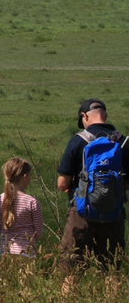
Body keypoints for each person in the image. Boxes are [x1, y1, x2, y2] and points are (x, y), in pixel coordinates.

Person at [57, 98, 129, 270]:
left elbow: (62, 183)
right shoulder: (123, 143)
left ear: (84, 116)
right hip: (113, 215)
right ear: (106, 115)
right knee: (111, 271)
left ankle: (69, 297)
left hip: (81, 215)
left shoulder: (77, 141)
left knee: (71, 272)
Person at [0, 157, 43, 258]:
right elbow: (38, 231)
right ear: (25, 176)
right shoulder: (31, 202)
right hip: (27, 253)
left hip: (5, 252)